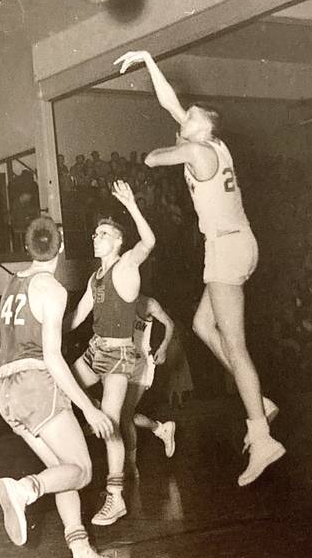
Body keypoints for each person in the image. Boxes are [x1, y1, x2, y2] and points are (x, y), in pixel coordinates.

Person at [114, 49, 283, 486]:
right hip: (235, 243)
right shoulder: (213, 144)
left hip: (226, 249)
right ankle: (257, 400)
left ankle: (261, 435)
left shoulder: (199, 153)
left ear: (202, 128)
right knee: (203, 325)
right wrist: (149, 60)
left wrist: (168, 147)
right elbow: (170, 101)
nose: (180, 116)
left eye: (188, 116)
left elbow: (151, 158)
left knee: (235, 344)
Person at [0, 216, 115, 558]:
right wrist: (88, 406)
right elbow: (51, 355)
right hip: (35, 384)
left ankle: (81, 552)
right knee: (84, 470)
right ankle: (26, 489)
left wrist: (86, 306)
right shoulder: (53, 288)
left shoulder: (12, 284)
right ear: (60, 247)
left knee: (65, 471)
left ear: (29, 247)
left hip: (6, 391)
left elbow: (52, 325)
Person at [66, 180, 156, 526]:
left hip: (119, 356)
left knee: (111, 423)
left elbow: (149, 242)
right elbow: (76, 320)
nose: (96, 237)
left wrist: (132, 205)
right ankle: (75, 461)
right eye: (95, 234)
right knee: (62, 388)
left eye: (103, 233)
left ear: (117, 241)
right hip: (95, 350)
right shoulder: (95, 277)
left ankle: (116, 497)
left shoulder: (126, 266)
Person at [121, 295, 176, 477]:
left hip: (140, 365)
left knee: (125, 415)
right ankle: (160, 429)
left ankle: (131, 466)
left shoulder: (149, 303)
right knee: (122, 415)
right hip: (119, 361)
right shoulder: (118, 299)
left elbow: (169, 324)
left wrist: (164, 347)